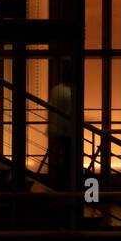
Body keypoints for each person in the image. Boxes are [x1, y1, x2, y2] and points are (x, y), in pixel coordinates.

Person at [47, 59, 74, 189]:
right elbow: (70, 113)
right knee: (67, 159)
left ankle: (57, 183)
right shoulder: (71, 92)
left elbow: (51, 109)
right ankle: (64, 184)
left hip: (55, 128)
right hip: (66, 131)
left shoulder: (55, 90)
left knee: (57, 157)